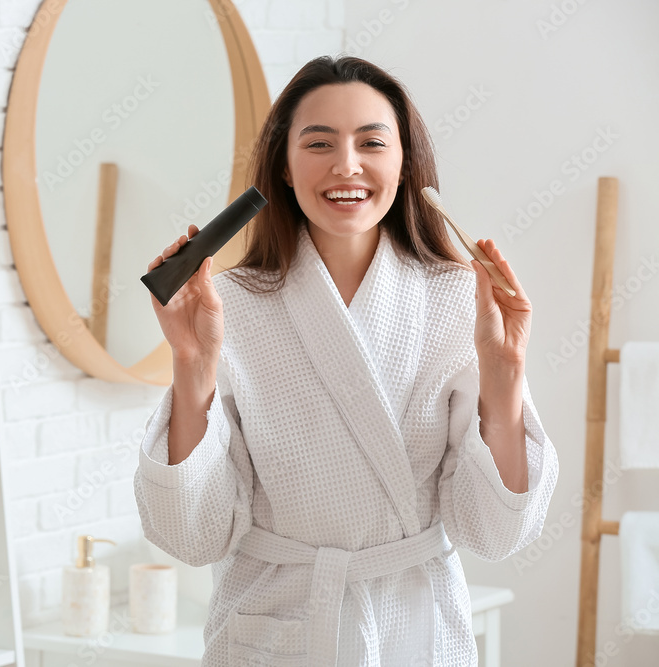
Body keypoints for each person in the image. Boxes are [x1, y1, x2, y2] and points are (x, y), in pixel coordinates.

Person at [133, 56, 559, 666]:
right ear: (283, 164)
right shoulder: (228, 307)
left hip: (412, 628)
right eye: (320, 143)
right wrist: (190, 362)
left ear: (405, 162)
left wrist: (506, 369)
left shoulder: (459, 299)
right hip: (274, 625)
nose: (347, 165)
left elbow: (493, 532)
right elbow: (191, 535)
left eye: (372, 142)